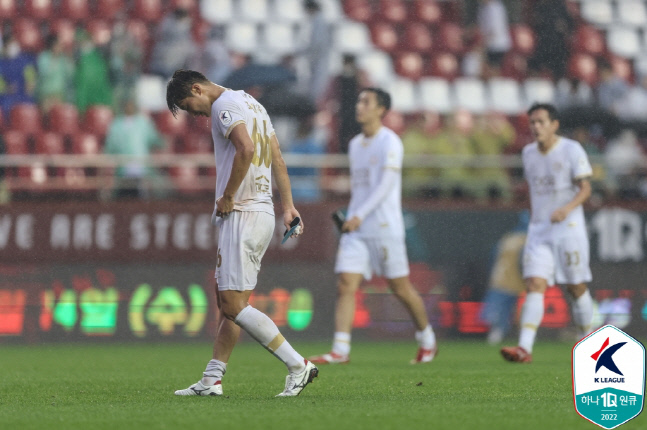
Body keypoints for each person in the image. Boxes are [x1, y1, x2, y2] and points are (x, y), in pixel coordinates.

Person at [166, 70, 318, 397]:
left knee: (233, 305)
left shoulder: (223, 106)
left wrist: (228, 195)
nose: (195, 114)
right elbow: (276, 157)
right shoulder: (253, 104)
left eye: (190, 106)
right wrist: (288, 206)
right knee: (232, 304)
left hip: (243, 212)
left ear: (197, 89)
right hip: (262, 210)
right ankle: (212, 379)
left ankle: (298, 365)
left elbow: (246, 149)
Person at [309, 88, 438, 365]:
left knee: (400, 287)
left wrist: (359, 214)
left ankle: (428, 339)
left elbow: (386, 185)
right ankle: (340, 350)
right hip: (357, 228)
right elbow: (362, 188)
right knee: (346, 284)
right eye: (359, 101)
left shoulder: (390, 142)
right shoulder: (356, 144)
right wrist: (352, 214)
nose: (359, 106)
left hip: (383, 225)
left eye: (366, 102)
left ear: (381, 110)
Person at [501, 103, 594, 363]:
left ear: (554, 125)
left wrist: (566, 209)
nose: (536, 127)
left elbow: (586, 188)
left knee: (575, 287)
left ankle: (588, 342)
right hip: (540, 230)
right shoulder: (528, 153)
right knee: (534, 283)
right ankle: (524, 348)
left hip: (569, 229)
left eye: (541, 121)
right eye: (532, 122)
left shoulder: (571, 149)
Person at [481, 211, 528, 344]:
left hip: (502, 278)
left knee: (501, 308)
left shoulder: (508, 238)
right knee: (522, 307)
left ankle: (499, 333)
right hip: (520, 280)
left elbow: (492, 257)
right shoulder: (528, 238)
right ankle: (523, 335)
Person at [104, 99, 164, 199]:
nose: (129, 107)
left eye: (131, 105)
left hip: (141, 167)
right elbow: (110, 146)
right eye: (127, 105)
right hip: (123, 168)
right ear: (123, 107)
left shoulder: (143, 123)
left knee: (143, 196)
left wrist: (164, 142)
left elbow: (155, 140)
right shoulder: (116, 124)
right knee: (123, 196)